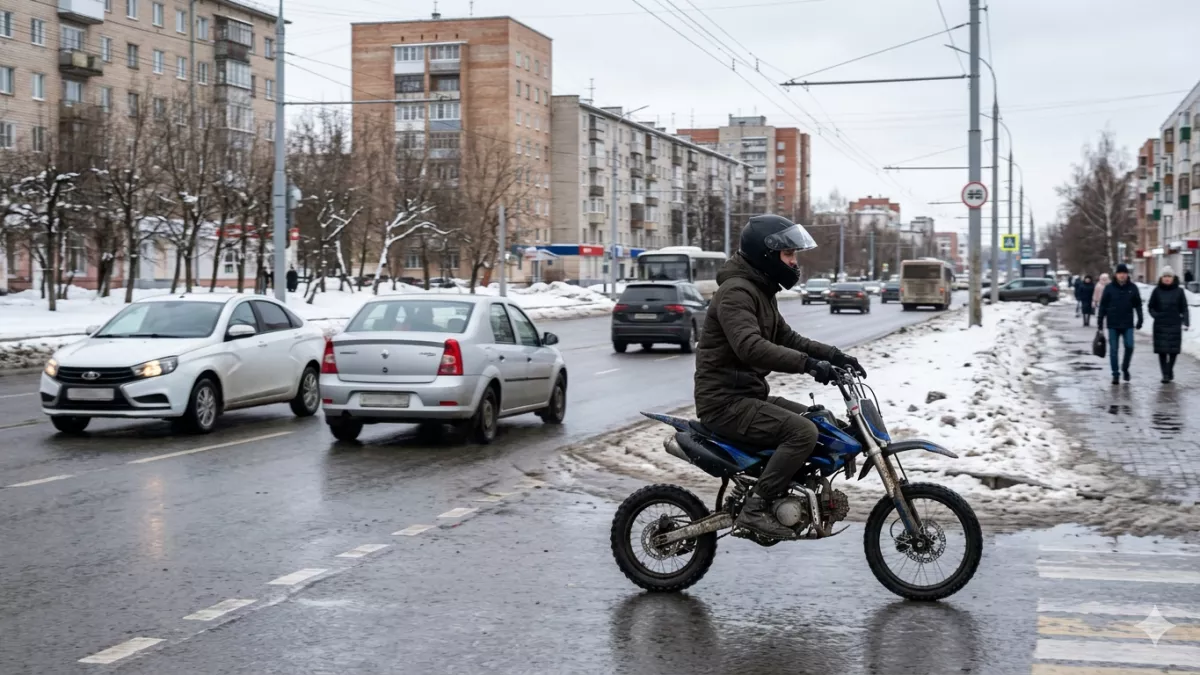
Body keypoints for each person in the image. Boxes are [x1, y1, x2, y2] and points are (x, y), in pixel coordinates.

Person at [693, 215, 866, 540]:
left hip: (747, 396)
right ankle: (756, 508)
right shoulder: (736, 294)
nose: (794, 262)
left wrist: (832, 355)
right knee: (801, 432)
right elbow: (751, 348)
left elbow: (787, 337)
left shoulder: (759, 291)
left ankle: (785, 491)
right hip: (724, 403)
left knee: (819, 421)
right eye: (789, 255)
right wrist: (809, 366)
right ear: (766, 254)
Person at [1097, 263, 1143, 385]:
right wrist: (1100, 322)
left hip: (1127, 323)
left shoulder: (1132, 288)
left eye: (1124, 273)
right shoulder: (1109, 288)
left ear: (1127, 274)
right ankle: (1115, 374)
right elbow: (1103, 306)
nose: (1122, 275)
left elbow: (1138, 304)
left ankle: (1125, 368)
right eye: (1119, 273)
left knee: (1129, 346)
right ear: (1116, 275)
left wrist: (1140, 319)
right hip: (1113, 324)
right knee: (1114, 350)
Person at [1148, 266, 1190, 383]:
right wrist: (1156, 315)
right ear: (1161, 278)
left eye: (1169, 276)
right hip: (1160, 325)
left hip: (1174, 324)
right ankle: (1165, 374)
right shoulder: (1156, 291)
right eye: (1165, 276)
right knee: (1162, 351)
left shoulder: (1179, 291)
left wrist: (1186, 321)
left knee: (1173, 351)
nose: (1167, 279)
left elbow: (1184, 307)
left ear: (1173, 278)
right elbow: (1151, 306)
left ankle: (1169, 369)